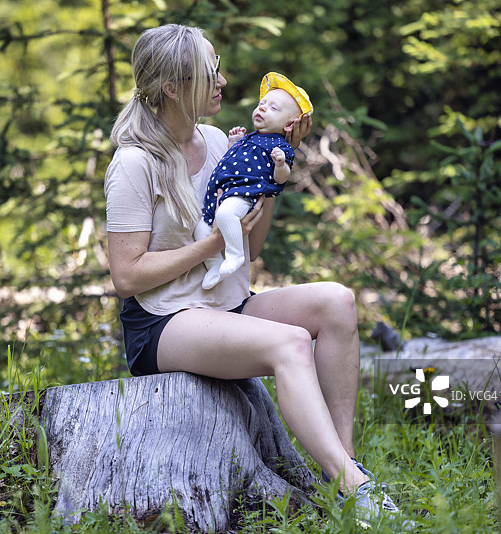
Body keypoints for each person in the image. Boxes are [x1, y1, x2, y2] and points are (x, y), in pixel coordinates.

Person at [104, 23, 406, 525]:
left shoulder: (218, 140)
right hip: (162, 323)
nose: (222, 81)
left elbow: (251, 249)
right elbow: (127, 277)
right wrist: (211, 245)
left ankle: (346, 469)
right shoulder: (135, 163)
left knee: (338, 301)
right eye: (211, 73)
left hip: (226, 300)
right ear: (173, 88)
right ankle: (358, 491)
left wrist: (270, 177)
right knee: (290, 343)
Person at [194, 72, 312, 290]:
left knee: (226, 215)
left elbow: (279, 179)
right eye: (262, 104)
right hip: (221, 192)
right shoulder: (248, 138)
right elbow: (232, 159)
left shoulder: (280, 147)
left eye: (273, 108)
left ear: (289, 125)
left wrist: (280, 164)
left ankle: (235, 255)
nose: (263, 108)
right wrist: (233, 143)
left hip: (243, 194)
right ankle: (215, 265)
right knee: (200, 230)